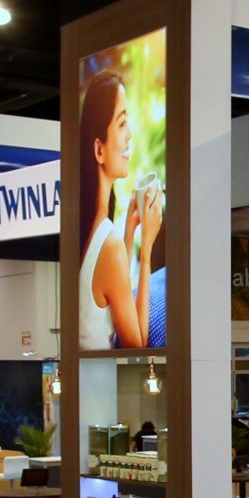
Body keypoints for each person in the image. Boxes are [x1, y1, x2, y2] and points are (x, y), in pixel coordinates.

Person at [77, 70, 163, 350]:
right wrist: (146, 249)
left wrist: (129, 231)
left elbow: (113, 282)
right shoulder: (108, 244)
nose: (130, 137)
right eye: (122, 123)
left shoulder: (95, 231)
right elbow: (137, 344)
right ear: (99, 150)